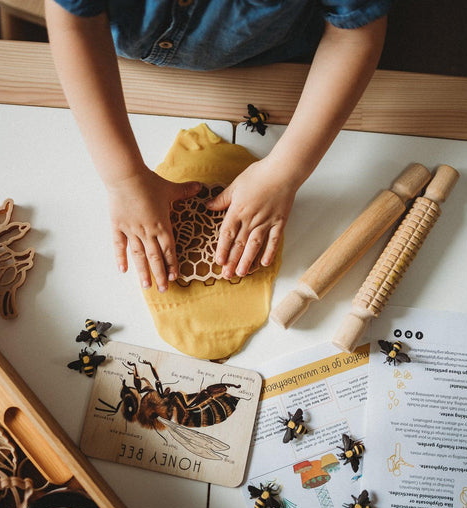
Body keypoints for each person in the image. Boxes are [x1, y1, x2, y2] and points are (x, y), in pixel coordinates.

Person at [44, 0, 390, 292]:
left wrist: (285, 172)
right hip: (121, 66)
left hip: (277, 64)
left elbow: (354, 34)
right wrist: (123, 178)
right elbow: (75, 23)